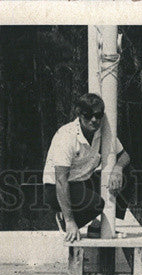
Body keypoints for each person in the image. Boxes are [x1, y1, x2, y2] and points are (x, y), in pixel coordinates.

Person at [42, 92, 130, 243]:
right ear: (79, 114)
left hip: (83, 180)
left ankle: (100, 226)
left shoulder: (103, 132)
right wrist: (70, 222)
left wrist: (118, 169)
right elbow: (61, 181)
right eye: (88, 115)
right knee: (96, 204)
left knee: (128, 173)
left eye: (98, 115)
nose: (94, 119)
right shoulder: (67, 136)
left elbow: (124, 156)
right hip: (57, 187)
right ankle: (64, 220)